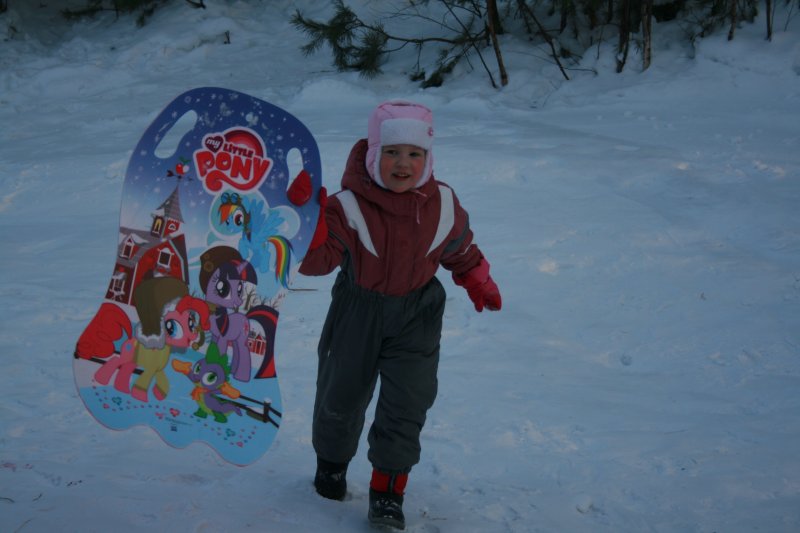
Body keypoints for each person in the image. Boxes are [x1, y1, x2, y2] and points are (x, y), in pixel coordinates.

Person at [298, 100, 501, 530]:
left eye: (415, 153)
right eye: (392, 152)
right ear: (373, 154)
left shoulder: (442, 202)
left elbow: (459, 247)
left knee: (408, 401)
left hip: (417, 315)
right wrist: (309, 225)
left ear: (428, 157)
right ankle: (331, 465)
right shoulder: (346, 206)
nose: (403, 163)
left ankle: (388, 490)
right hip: (358, 311)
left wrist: (477, 278)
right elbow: (317, 261)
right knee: (341, 394)